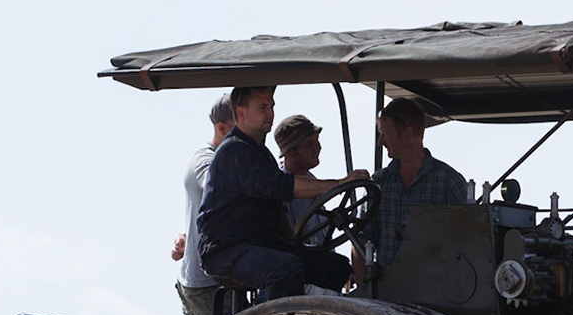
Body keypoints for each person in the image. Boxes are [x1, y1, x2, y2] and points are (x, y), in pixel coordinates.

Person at [197, 86, 365, 300]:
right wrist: (340, 184)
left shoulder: (260, 154)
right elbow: (284, 186)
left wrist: (297, 245)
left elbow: (279, 211)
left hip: (261, 244)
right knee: (285, 269)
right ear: (241, 113)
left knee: (335, 265)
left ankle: (317, 314)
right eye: (263, 108)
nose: (270, 113)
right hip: (226, 249)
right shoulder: (235, 152)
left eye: (272, 107)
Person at [371, 97, 468, 269]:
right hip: (385, 284)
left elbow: (468, 242)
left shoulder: (449, 182)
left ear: (407, 133)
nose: (380, 142)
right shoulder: (378, 183)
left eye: (385, 134)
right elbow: (362, 240)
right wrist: (365, 283)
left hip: (434, 284)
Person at [172, 93, 235, 315]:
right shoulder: (206, 160)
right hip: (208, 283)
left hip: (202, 278)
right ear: (222, 128)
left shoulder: (230, 162)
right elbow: (218, 186)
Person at [276, 114, 330, 247]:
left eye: (317, 140)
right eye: (309, 144)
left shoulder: (315, 183)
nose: (318, 148)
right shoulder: (279, 189)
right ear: (290, 151)